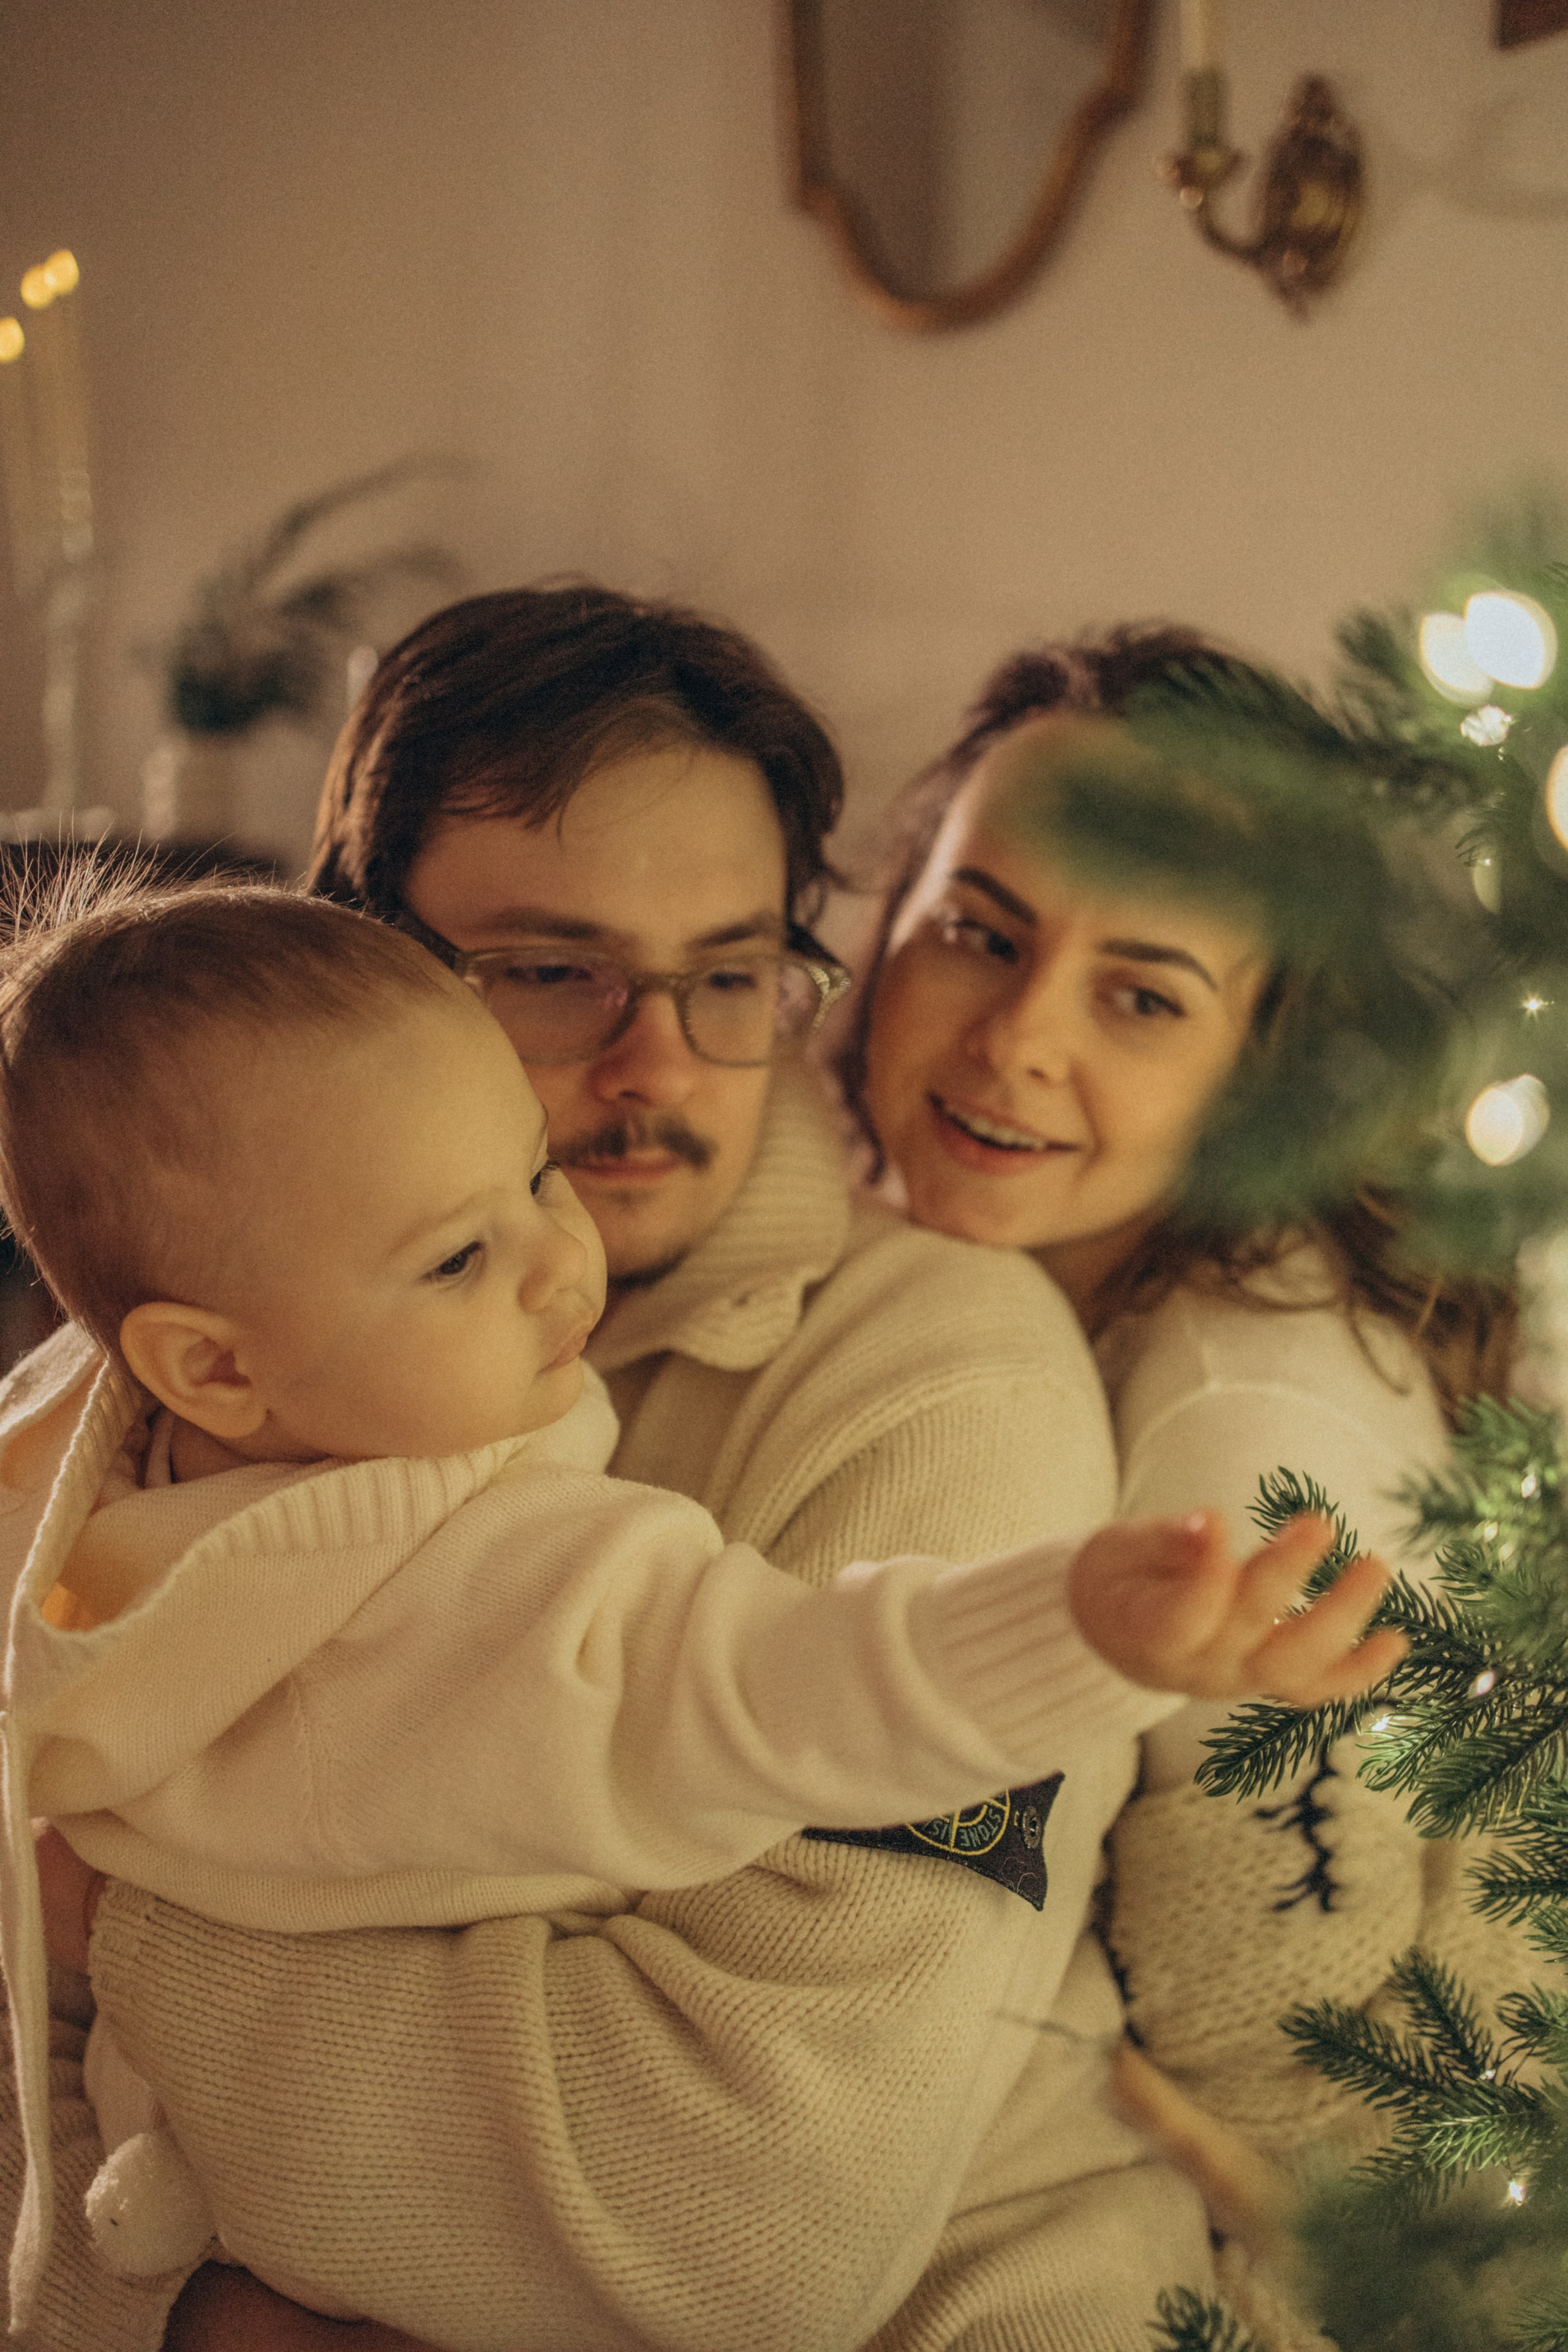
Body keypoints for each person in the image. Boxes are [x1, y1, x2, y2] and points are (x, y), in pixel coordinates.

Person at [6, 589, 1227, 2352]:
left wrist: (127, 1930)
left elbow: (741, 2223)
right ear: (351, 959)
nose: (653, 1068)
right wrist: (187, 2312)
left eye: (730, 973)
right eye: (547, 972)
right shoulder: (161, 1377)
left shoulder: (944, 1385)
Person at [837, 625, 1525, 2342]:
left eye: (1140, 995)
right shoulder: (953, 1261)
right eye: (978, 937)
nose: (1013, 1039)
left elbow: (1306, 2060)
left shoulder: (1239, 1432)